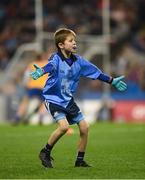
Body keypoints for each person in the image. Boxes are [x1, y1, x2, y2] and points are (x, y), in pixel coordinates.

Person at [30, 28, 127, 168]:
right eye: (70, 41)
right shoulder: (55, 58)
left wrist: (112, 81)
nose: (74, 43)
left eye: (74, 40)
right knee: (63, 127)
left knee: (84, 127)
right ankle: (45, 152)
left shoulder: (79, 61)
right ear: (61, 45)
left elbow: (96, 73)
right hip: (53, 99)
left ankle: (79, 161)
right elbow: (50, 66)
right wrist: (41, 71)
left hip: (68, 100)